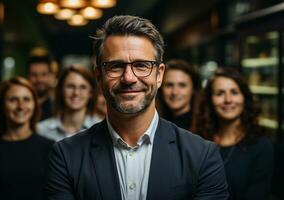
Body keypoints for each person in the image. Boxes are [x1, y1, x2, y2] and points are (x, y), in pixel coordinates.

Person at [45, 15, 229, 200]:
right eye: (116, 66)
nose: (129, 78)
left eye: (141, 65)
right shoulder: (66, 156)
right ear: (99, 77)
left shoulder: (202, 155)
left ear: (159, 75)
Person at [192, 67, 274, 200]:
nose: (228, 100)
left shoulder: (261, 146)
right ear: (210, 101)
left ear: (244, 98)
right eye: (220, 93)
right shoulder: (197, 142)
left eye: (234, 92)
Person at [0, 77, 53, 200]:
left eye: (26, 99)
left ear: (35, 105)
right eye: (13, 100)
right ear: (1, 106)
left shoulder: (50, 148)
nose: (21, 106)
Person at [38, 65, 101, 141]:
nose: (76, 93)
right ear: (61, 90)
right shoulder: (41, 130)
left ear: (90, 93)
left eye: (83, 87)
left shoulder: (101, 130)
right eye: (70, 86)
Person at [157, 59, 201, 130]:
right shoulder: (154, 123)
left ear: (193, 89)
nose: (175, 92)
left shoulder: (205, 126)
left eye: (182, 85)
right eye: (169, 85)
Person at [27, 55, 55, 121]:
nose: (39, 79)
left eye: (44, 74)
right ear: (27, 77)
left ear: (51, 76)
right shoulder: (22, 108)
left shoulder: (58, 109)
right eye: (34, 74)